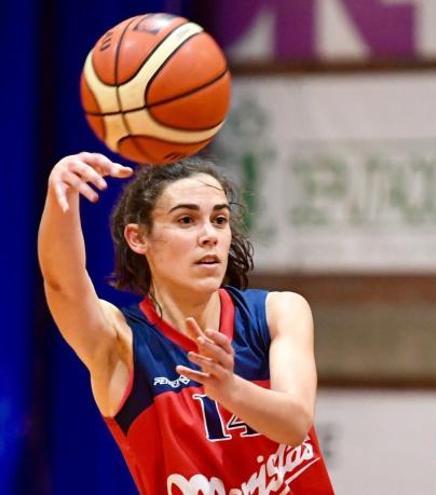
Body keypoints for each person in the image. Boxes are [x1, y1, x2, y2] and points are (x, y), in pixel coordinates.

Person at [38, 152, 335, 494]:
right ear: (138, 238)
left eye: (220, 220)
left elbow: (295, 424)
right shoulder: (121, 342)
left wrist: (229, 389)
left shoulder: (277, 312)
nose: (209, 235)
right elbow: (63, 284)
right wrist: (61, 193)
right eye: (186, 220)